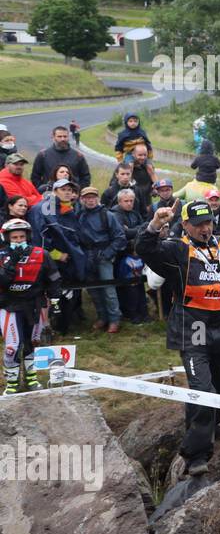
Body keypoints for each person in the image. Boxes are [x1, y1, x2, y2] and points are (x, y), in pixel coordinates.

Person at [138, 201, 220, 477]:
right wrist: (155, 224)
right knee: (202, 389)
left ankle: (213, 424)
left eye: (209, 222)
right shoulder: (176, 249)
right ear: (186, 225)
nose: (205, 228)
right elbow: (144, 249)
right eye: (199, 224)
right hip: (193, 324)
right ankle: (196, 454)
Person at [0, 218, 61, 394]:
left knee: (32, 342)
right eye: (14, 237)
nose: (18, 240)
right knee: (13, 345)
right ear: (7, 238)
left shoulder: (41, 254)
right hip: (8, 305)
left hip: (35, 303)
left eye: (21, 236)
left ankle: (31, 377)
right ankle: (11, 383)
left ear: (28, 236)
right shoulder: (1, 256)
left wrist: (55, 301)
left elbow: (53, 278)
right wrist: (11, 262)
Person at [76, 185, 125, 333]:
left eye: (93, 197)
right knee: (93, 290)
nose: (90, 200)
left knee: (108, 289)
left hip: (104, 255)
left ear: (97, 198)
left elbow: (120, 237)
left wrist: (108, 253)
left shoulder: (107, 215)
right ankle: (102, 317)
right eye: (87, 198)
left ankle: (114, 319)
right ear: (82, 199)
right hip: (86, 256)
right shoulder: (78, 215)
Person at [110, 188, 149, 324]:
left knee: (139, 284)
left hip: (136, 254)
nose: (129, 203)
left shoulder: (134, 213)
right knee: (127, 286)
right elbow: (123, 234)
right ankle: (131, 314)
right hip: (122, 256)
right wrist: (139, 229)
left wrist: (135, 230)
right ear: (119, 201)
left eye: (131, 201)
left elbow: (143, 229)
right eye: (126, 201)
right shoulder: (114, 214)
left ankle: (143, 312)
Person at [32, 126, 91, 192]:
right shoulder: (43, 155)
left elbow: (85, 177)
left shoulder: (78, 156)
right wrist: (43, 191)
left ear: (68, 137)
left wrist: (77, 191)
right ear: (53, 137)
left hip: (71, 196)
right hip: (49, 196)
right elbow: (35, 177)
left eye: (65, 136)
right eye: (59, 136)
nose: (63, 139)